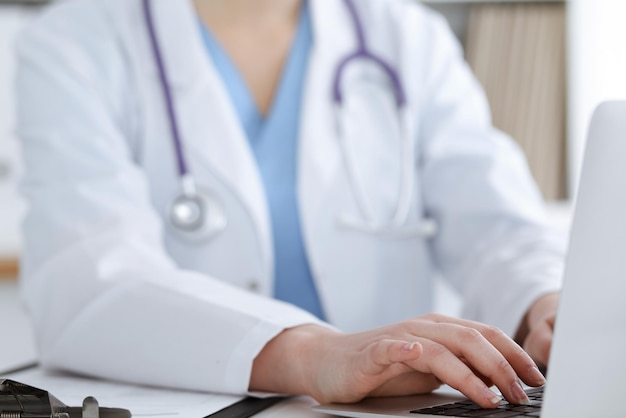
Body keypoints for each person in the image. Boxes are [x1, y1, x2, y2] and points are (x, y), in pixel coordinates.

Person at [15, 0, 564, 409]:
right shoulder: (75, 42)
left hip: (391, 410)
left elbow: (500, 226)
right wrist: (310, 354)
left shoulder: (406, 36)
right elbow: (89, 279)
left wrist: (546, 304)